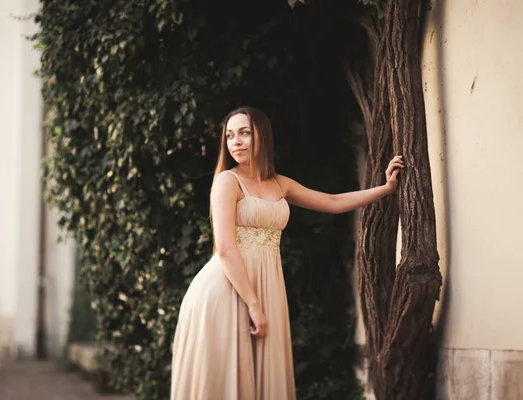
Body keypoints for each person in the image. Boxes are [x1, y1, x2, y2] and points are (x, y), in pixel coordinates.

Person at [170, 106, 404, 400]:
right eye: (230, 136)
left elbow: (333, 201)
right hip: (228, 290)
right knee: (226, 381)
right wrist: (254, 305)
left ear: (262, 137)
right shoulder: (227, 181)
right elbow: (227, 249)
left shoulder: (280, 184)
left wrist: (386, 188)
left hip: (266, 286)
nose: (236, 142)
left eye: (244, 133)